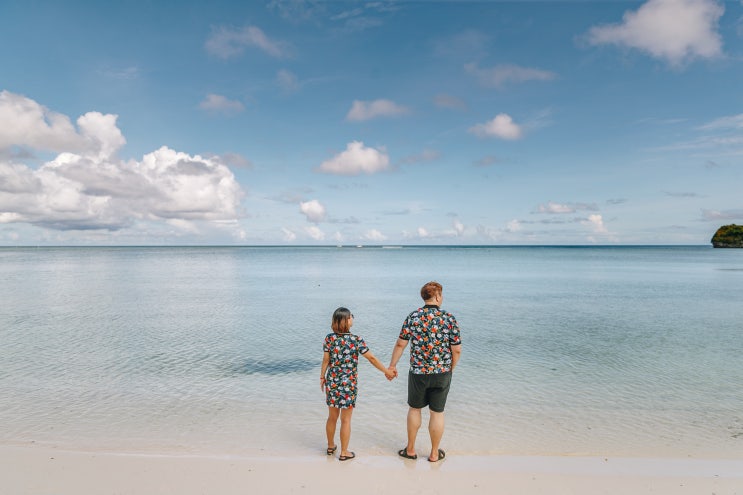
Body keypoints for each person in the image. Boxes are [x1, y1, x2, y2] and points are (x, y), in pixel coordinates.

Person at [388, 281, 461, 462]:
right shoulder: (449, 318)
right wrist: (450, 368)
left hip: (418, 373)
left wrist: (392, 366)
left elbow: (400, 344)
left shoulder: (413, 317)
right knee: (437, 412)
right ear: (437, 296)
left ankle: (411, 450)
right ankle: (434, 453)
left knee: (415, 409)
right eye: (441, 295)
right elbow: (456, 349)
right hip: (442, 372)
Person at [321, 307, 394, 461]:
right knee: (346, 420)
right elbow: (372, 358)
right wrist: (386, 371)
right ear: (346, 321)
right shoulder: (356, 340)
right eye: (351, 317)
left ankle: (330, 446)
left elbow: (326, 360)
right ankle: (344, 452)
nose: (352, 318)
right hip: (348, 384)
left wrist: (322, 377)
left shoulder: (329, 338)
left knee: (332, 417)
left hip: (332, 381)